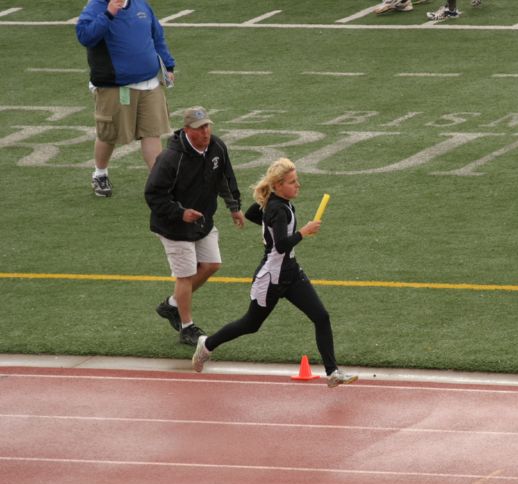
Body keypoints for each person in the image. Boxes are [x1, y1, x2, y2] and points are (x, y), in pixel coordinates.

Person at [192, 158, 358, 388]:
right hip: (271, 278)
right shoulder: (278, 209)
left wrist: (267, 222)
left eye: (296, 181)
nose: (297, 185)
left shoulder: (279, 203)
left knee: (321, 316)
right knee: (251, 324)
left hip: (291, 273)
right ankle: (207, 344)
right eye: (292, 182)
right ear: (278, 185)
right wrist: (304, 231)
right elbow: (280, 245)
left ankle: (333, 372)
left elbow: (252, 213)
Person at [145, 106, 245, 346]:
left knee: (212, 264)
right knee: (186, 275)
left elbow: (225, 177)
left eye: (208, 126)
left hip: (203, 220)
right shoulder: (171, 159)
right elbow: (154, 195)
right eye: (200, 128)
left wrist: (234, 207)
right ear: (188, 130)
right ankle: (187, 327)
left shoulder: (216, 147)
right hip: (174, 227)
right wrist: (180, 213)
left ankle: (171, 305)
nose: (206, 132)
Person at [76, 0, 175, 197]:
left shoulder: (141, 5)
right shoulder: (96, 7)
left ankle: (158, 182)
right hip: (115, 85)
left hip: (149, 84)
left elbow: (157, 36)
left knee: (152, 132)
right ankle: (100, 173)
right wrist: (109, 13)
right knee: (108, 134)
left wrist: (168, 65)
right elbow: (85, 36)